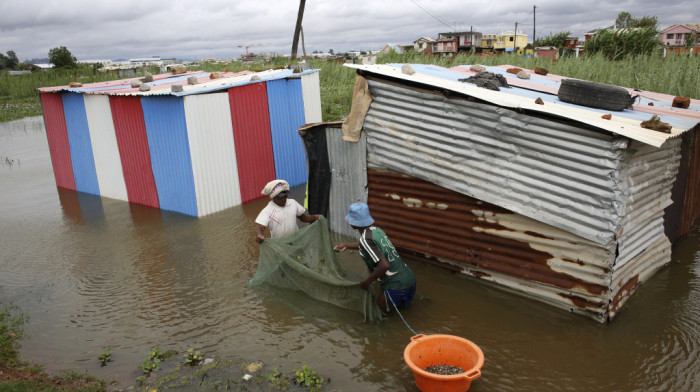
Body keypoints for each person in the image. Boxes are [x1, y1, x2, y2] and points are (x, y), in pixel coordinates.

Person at [334, 203, 417, 312]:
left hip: (397, 285)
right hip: (410, 279)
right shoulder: (376, 230)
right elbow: (369, 245)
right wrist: (346, 245)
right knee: (403, 310)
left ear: (355, 223)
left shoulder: (365, 239)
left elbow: (384, 265)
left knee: (380, 310)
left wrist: (366, 282)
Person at [255, 179, 322, 244]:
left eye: (285, 196)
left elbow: (304, 218)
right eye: (280, 198)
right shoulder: (267, 211)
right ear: (273, 198)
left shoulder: (292, 203)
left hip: (295, 240)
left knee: (296, 254)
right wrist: (259, 235)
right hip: (279, 244)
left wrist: (316, 217)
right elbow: (261, 228)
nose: (283, 199)